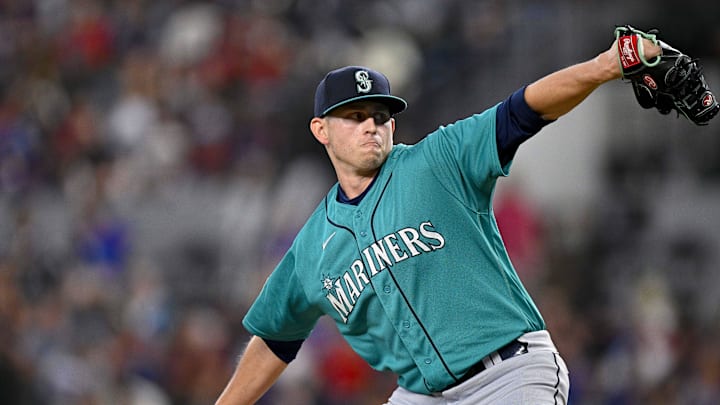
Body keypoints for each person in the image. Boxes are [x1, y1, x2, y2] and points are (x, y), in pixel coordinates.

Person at [215, 31, 661, 405]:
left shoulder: (437, 162)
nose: (371, 125)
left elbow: (523, 110)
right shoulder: (313, 243)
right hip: (422, 395)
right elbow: (276, 337)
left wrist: (606, 65)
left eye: (380, 115)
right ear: (321, 130)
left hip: (509, 375)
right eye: (354, 116)